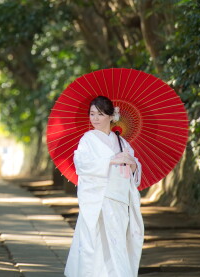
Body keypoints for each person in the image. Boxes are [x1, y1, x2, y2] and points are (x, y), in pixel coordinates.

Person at [64, 95, 144, 277]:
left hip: (119, 198)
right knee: (96, 243)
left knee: (117, 243)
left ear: (111, 116)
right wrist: (110, 160)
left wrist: (132, 164)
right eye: (92, 114)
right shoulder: (87, 139)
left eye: (100, 114)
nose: (95, 119)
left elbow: (134, 171)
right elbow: (81, 164)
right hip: (98, 198)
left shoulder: (122, 142)